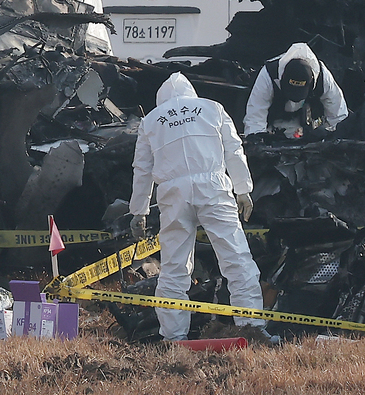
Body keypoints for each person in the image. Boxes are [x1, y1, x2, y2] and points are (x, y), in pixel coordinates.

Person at [130, 73, 265, 341]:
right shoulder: (212, 108)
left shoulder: (151, 122)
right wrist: (243, 189)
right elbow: (234, 149)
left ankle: (173, 338)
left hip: (172, 194)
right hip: (213, 188)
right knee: (236, 259)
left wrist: (139, 210)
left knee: (174, 268)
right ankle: (251, 329)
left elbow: (142, 170)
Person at [243, 42, 347, 139]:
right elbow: (255, 118)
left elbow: (338, 117)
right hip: (272, 126)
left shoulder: (323, 78)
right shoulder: (269, 74)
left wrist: (329, 137)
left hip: (308, 127)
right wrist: (258, 142)